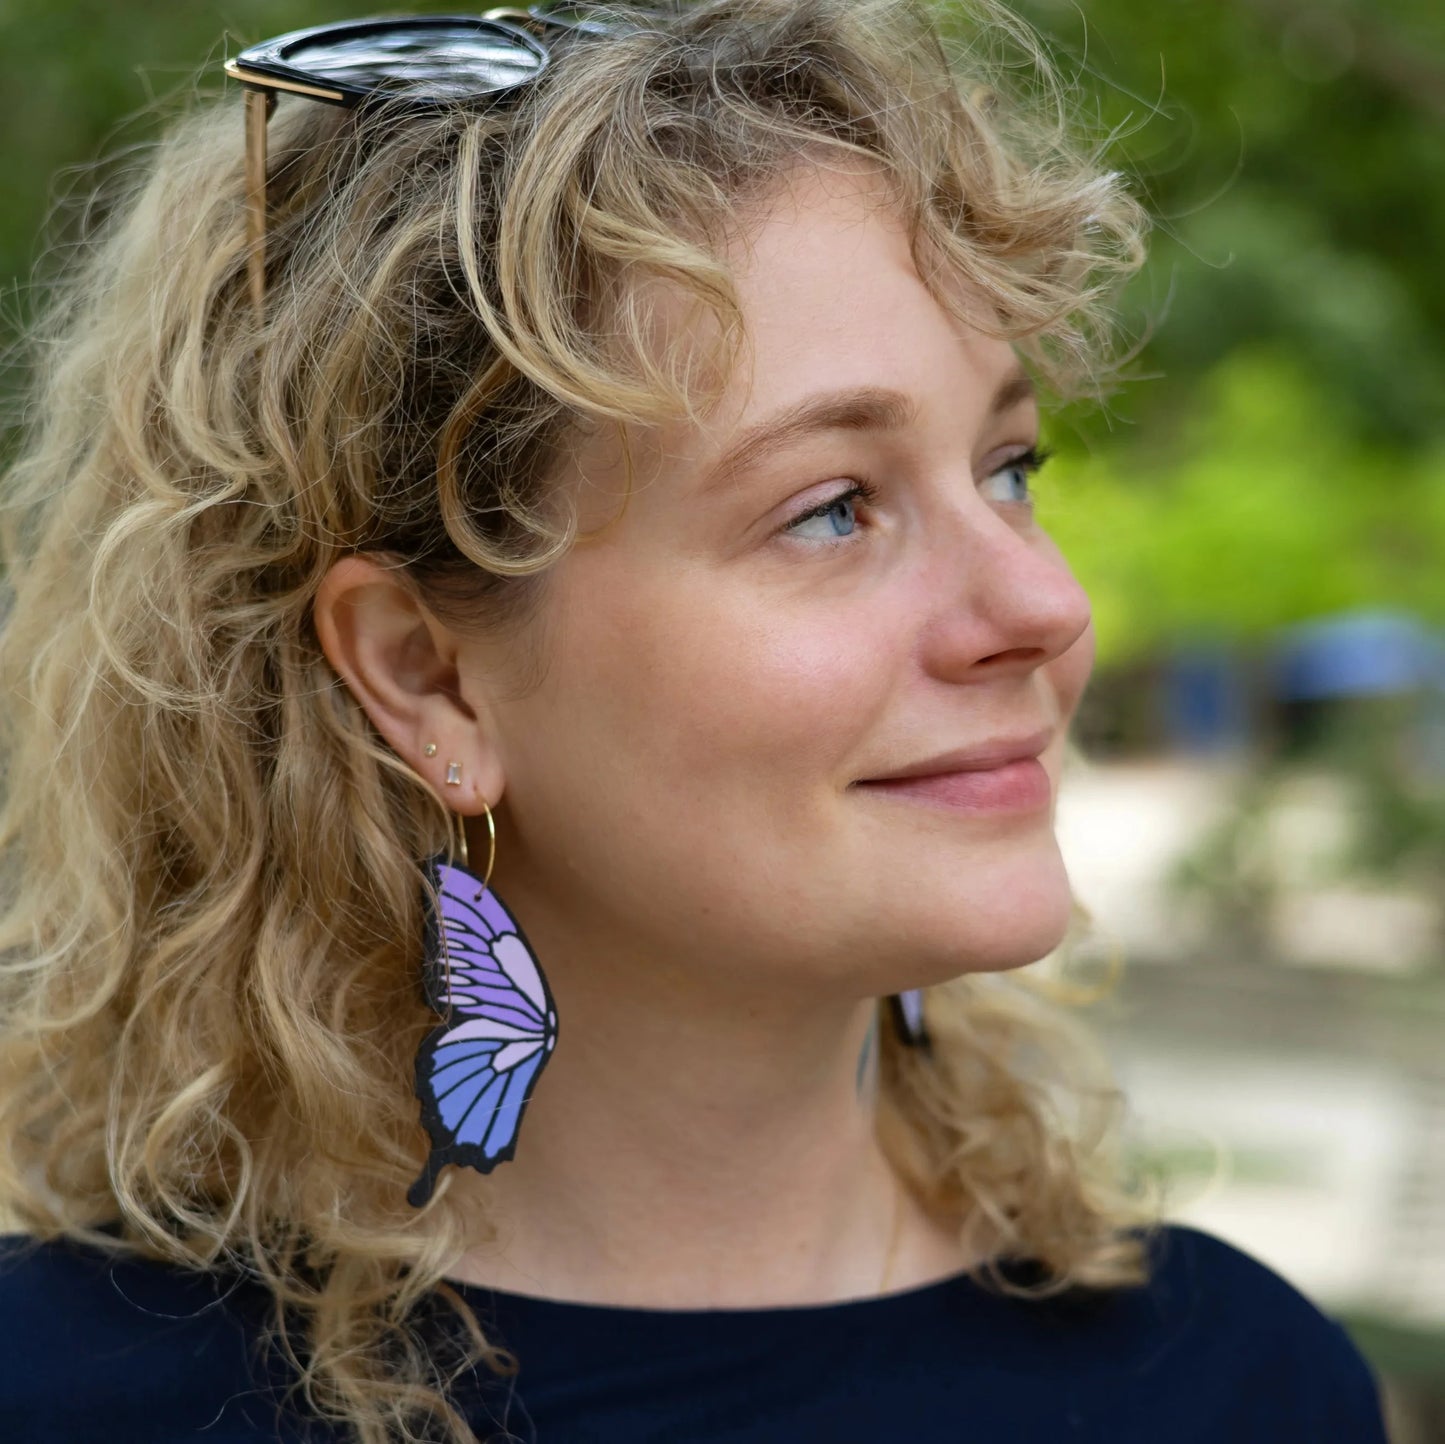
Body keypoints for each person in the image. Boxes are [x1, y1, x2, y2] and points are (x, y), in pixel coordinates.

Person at [0, 2, 1390, 1441]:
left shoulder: (1241, 1392)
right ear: (426, 678)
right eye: (832, 508)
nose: (1043, 605)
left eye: (1008, 470)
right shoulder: (62, 1403)